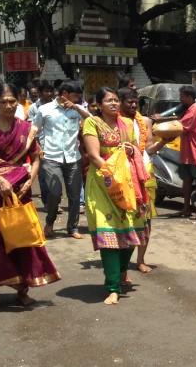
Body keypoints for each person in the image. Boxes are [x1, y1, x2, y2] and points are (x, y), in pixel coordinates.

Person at [0, 82, 60, 308]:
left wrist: (31, 181)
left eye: (12, 101)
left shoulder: (26, 128)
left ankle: (23, 290)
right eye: (3, 101)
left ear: (19, 101)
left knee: (23, 240)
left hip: (20, 190)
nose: (8, 105)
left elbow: (35, 159)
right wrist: (0, 180)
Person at [82, 88, 149, 305]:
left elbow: (131, 149)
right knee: (109, 235)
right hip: (103, 184)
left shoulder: (126, 124)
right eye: (109, 100)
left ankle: (121, 274)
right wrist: (112, 176)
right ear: (99, 105)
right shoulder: (92, 123)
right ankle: (112, 287)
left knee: (130, 233)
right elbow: (93, 155)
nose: (114, 103)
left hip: (126, 182)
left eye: (116, 100)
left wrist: (130, 150)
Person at [34, 80, 89, 239]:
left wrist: (77, 107)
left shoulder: (78, 109)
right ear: (64, 94)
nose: (78, 98)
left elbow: (92, 120)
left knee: (74, 194)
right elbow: (35, 130)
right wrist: (39, 148)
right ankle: (50, 222)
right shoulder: (45, 109)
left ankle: (72, 227)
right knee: (55, 192)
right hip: (51, 156)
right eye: (75, 96)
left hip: (73, 157)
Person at [118, 87, 164, 274]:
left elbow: (149, 148)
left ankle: (141, 259)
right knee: (124, 219)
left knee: (146, 219)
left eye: (136, 101)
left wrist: (164, 142)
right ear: (120, 102)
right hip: (124, 175)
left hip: (145, 172)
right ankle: (121, 264)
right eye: (129, 101)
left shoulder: (144, 122)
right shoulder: (115, 122)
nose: (134, 104)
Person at [176, 85, 196, 218]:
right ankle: (186, 208)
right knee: (187, 181)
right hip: (187, 151)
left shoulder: (194, 110)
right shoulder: (188, 109)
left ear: (189, 97)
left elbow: (180, 126)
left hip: (195, 151)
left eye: (182, 96)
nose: (180, 99)